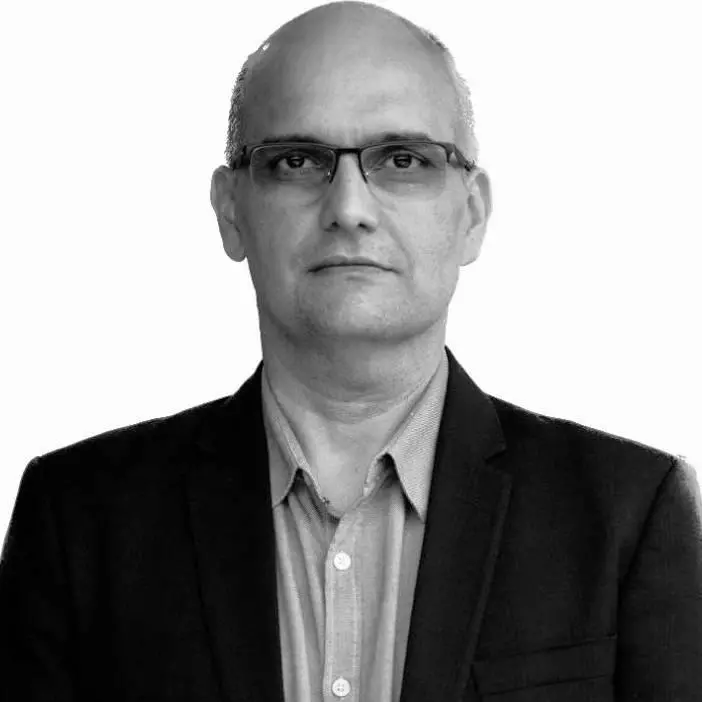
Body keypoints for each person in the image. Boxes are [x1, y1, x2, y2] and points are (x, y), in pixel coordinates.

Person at [1, 1, 701, 700]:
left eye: (402, 160)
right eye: (296, 161)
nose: (349, 209)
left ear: (472, 215)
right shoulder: (78, 522)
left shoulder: (628, 515)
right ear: (230, 210)